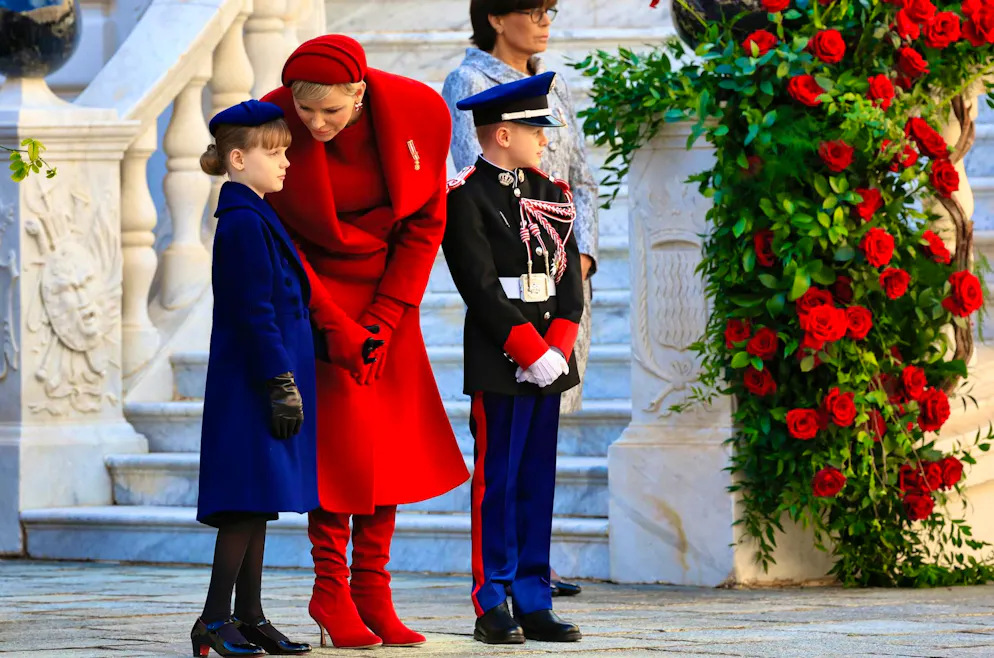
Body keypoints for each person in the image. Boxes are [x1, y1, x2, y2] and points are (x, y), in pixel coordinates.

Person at [261, 35, 470, 649]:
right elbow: (279, 233)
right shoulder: (274, 122)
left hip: (388, 297)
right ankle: (330, 588)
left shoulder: (416, 113)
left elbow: (427, 220)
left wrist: (386, 314)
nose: (317, 124)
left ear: (359, 91)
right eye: (305, 111)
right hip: (316, 296)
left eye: (331, 110)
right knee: (339, 447)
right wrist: (333, 323)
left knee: (389, 445)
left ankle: (373, 590)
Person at [442, 0, 595, 597]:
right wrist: (529, 346)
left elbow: (576, 188)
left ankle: (532, 591)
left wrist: (559, 335)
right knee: (499, 476)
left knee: (538, 474)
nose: (544, 138)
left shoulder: (550, 191)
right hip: (504, 343)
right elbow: (479, 279)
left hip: (548, 336)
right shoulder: (470, 191)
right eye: (535, 128)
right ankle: (496, 592)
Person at [191, 100, 320, 657]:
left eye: (287, 150)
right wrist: (278, 382)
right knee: (244, 502)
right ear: (238, 159)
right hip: (253, 382)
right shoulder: (243, 223)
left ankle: (250, 616)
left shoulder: (257, 214)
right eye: (275, 151)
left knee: (259, 499)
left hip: (267, 378)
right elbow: (252, 311)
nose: (287, 161)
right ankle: (214, 620)